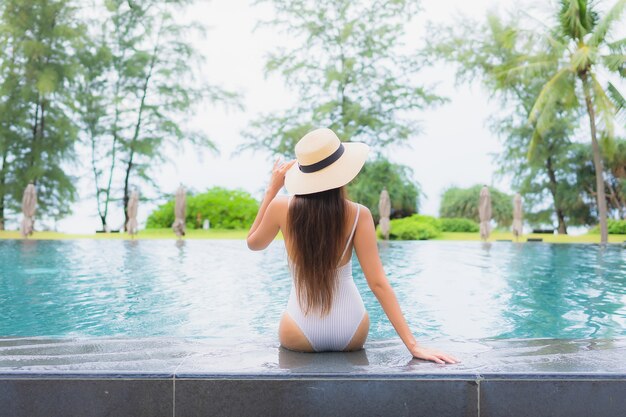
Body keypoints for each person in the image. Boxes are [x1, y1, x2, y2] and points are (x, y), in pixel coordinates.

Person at [247, 128, 458, 364]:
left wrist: (271, 191)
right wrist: (413, 345)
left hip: (298, 331)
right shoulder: (359, 214)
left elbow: (253, 243)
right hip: (351, 332)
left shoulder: (280, 208)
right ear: (342, 171)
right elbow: (378, 283)